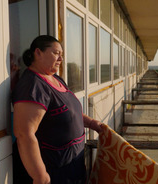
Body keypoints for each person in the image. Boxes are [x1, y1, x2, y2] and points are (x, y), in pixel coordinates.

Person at [12, 35, 103, 184]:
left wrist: (92, 123)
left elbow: (70, 112)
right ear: (38, 53)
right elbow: (24, 133)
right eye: (56, 53)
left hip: (73, 166)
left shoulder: (56, 79)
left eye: (62, 55)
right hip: (53, 171)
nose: (60, 59)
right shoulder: (33, 85)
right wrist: (40, 175)